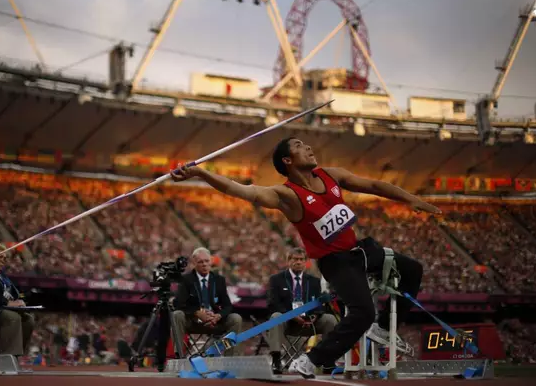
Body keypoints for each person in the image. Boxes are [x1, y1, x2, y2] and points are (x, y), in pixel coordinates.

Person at [170, 137, 440, 378]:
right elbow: (240, 190)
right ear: (288, 160)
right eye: (299, 146)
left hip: (361, 251)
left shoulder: (330, 175)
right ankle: (311, 359)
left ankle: (383, 330)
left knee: (412, 269)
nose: (309, 147)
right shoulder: (286, 195)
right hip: (336, 262)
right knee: (362, 313)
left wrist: (410, 199)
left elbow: (372, 184)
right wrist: (200, 173)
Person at [267, 248, 338, 374]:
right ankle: (276, 360)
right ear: (289, 261)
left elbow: (319, 304)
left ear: (305, 262)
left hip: (309, 322)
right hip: (287, 322)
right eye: (295, 259)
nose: (298, 262)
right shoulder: (276, 279)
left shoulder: (314, 281)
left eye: (301, 259)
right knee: (275, 316)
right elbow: (273, 304)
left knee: (330, 319)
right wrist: (292, 316)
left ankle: (328, 361)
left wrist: (315, 315)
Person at [173, 248, 242, 356]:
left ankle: (230, 357)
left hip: (215, 321)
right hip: (193, 322)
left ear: (211, 261)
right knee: (177, 314)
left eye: (207, 261)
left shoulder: (219, 280)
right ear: (194, 263)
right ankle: (178, 355)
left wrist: (218, 316)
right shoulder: (186, 280)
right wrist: (197, 313)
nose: (204, 264)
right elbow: (178, 304)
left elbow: (228, 306)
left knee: (235, 318)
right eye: (200, 262)